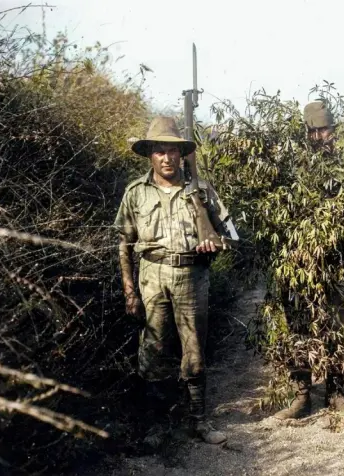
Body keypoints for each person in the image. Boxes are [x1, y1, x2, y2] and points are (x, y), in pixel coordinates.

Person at [114, 116, 227, 446]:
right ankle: (157, 426)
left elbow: (229, 235)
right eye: (160, 151)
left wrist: (214, 245)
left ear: (181, 155)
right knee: (153, 353)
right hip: (151, 276)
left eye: (172, 151)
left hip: (192, 276)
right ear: (150, 154)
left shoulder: (202, 191)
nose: (167, 158)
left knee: (194, 354)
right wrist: (129, 291)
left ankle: (198, 422)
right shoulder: (135, 193)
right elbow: (124, 243)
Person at [273, 102, 344, 420]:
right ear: (306, 133)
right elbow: (276, 217)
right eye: (315, 130)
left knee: (335, 327)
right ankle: (302, 395)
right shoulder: (289, 168)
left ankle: (335, 393)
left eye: (326, 129)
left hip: (334, 265)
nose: (322, 135)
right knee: (298, 328)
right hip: (296, 268)